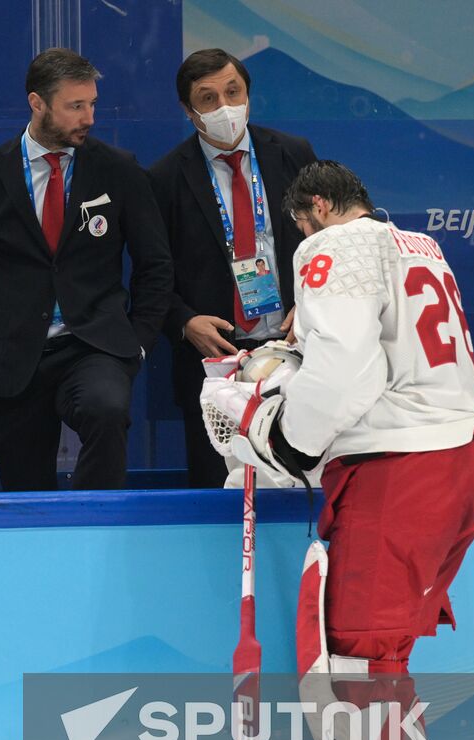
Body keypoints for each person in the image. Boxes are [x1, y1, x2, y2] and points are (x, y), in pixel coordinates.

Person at [200, 160, 474, 740]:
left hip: (402, 474)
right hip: (463, 465)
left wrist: (279, 434)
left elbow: (344, 370)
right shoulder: (419, 244)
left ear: (319, 209)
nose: (304, 243)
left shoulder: (331, 243)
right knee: (384, 663)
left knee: (348, 664)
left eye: (303, 226)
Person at [0, 48, 172, 491]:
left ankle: (93, 527)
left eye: (92, 104)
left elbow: (155, 265)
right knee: (28, 495)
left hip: (92, 347)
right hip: (9, 360)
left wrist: (137, 343)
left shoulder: (118, 171)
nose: (88, 118)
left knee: (106, 409)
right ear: (37, 103)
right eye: (75, 106)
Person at [148, 48, 317, 488]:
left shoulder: (293, 154)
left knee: (303, 486)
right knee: (218, 494)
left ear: (249, 95)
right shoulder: (164, 178)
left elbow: (324, 243)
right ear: (189, 111)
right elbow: (150, 275)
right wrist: (184, 321)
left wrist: (316, 304)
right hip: (215, 362)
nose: (225, 106)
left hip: (296, 348)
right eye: (208, 98)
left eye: (233, 91)